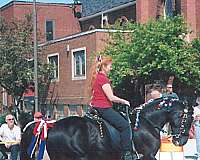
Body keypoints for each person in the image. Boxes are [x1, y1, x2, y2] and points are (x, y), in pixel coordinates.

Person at [89, 55, 138, 160]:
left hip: (96, 107)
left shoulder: (96, 77)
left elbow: (93, 95)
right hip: (104, 108)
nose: (111, 68)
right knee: (124, 126)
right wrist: (124, 101)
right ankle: (127, 154)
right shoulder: (103, 79)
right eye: (110, 66)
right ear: (105, 66)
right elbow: (111, 97)